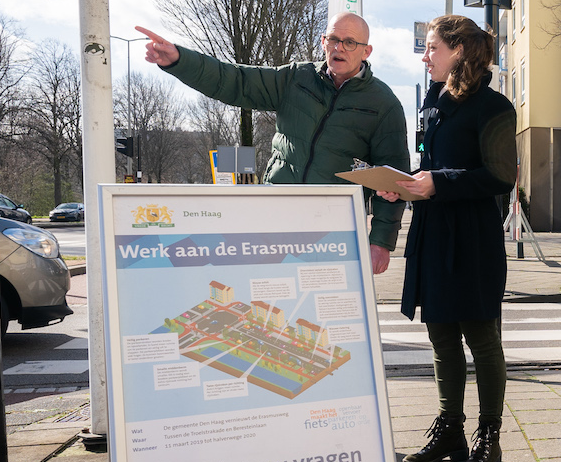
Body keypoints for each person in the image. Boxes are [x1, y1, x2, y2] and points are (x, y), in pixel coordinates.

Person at [135, 15, 409, 273]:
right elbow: (235, 80)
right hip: (276, 217)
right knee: (269, 299)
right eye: (333, 39)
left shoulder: (383, 105)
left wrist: (381, 242)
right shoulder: (296, 78)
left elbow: (392, 180)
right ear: (323, 42)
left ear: (366, 51)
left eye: (349, 42)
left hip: (332, 229)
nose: (339, 48)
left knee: (325, 308)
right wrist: (179, 61)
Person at [383, 15, 518, 462]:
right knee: (440, 337)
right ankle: (451, 430)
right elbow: (429, 166)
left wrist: (435, 182)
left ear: (459, 50)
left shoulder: (495, 106)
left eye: (432, 47)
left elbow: (501, 176)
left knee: (481, 339)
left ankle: (489, 435)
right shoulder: (433, 102)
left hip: (473, 237)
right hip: (434, 231)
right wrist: (401, 185)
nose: (425, 56)